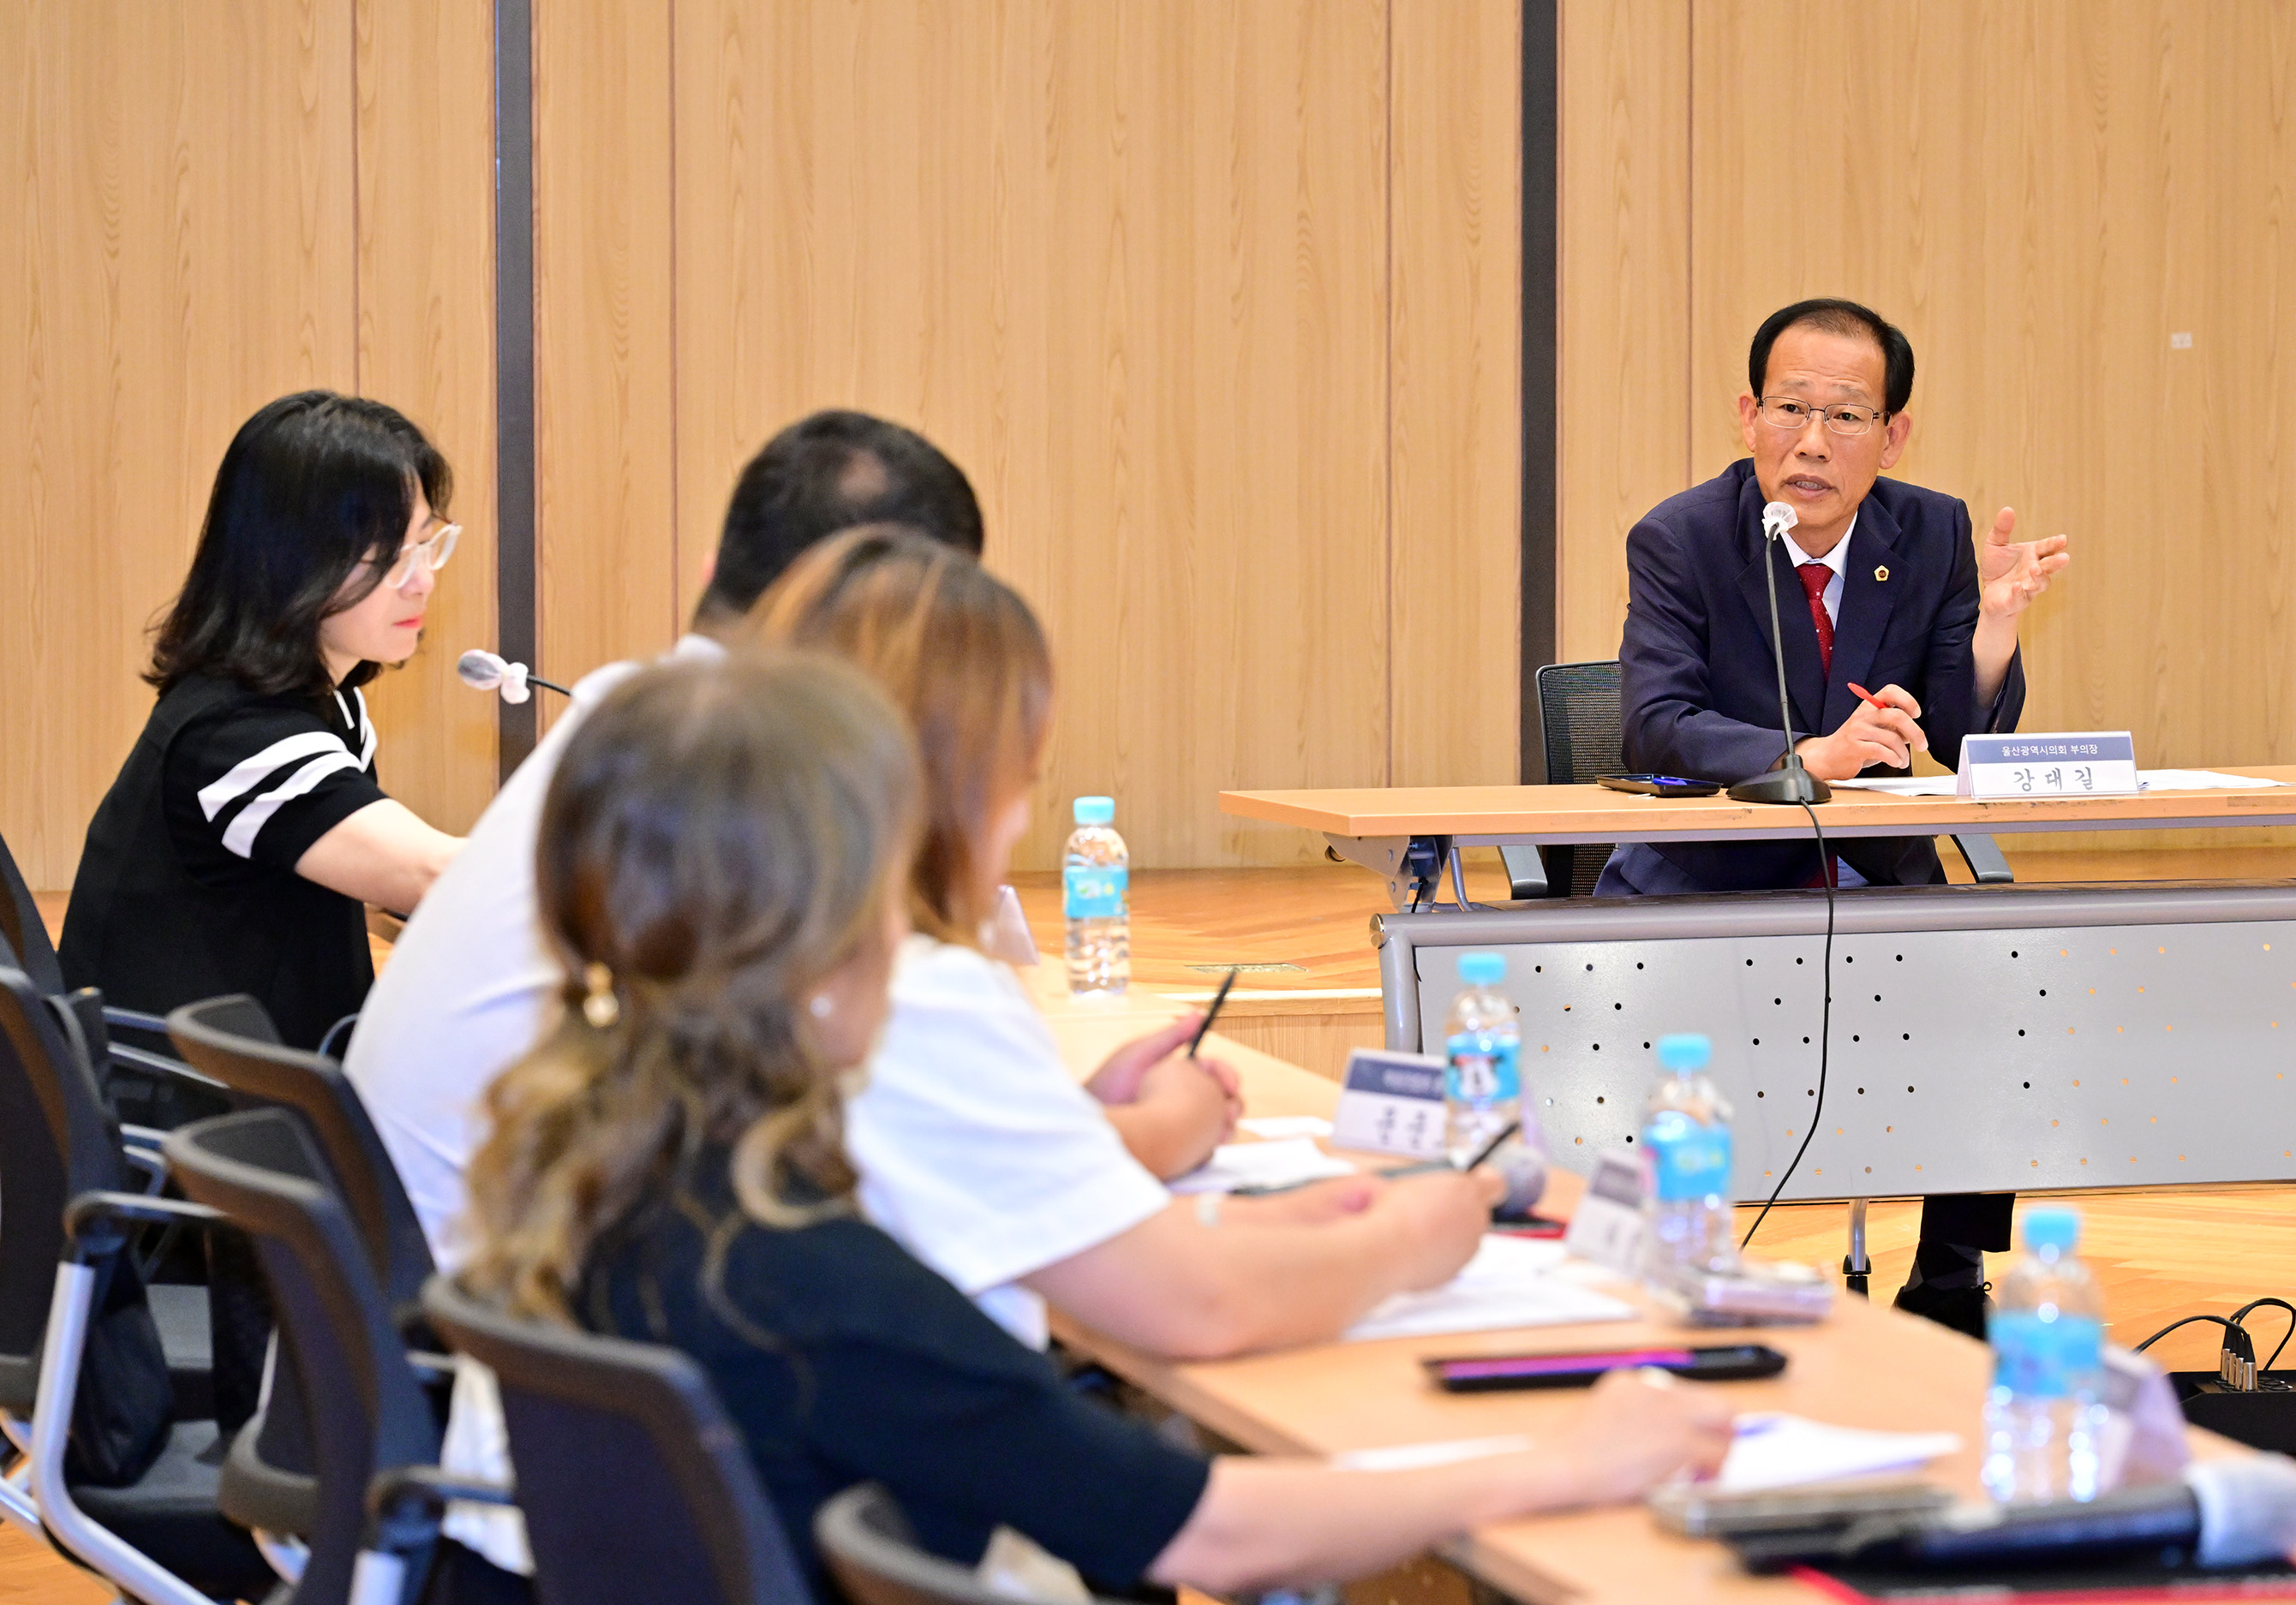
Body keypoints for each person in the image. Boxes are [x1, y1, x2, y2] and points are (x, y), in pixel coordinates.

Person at [459, 652, 1737, 1598]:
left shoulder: (601, 1161)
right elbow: (1213, 1531)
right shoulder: (807, 1269)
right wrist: (1562, 1457)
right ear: (824, 934)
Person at [750, 528, 1498, 1354]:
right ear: (951, 787)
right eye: (1021, 781)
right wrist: (1407, 1242)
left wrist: (1071, 1121)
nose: (1023, 820)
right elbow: (1205, 1306)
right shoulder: (916, 993)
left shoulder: (755, 967)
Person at [348, 409, 1013, 1254]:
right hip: (515, 1304)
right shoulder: (729, 776)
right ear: (888, 636)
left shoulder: (632, 720)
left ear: (712, 574)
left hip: (452, 1292)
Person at [1598, 299, 2072, 1336]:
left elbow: (1955, 726)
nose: (1812, 442)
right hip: (1711, 880)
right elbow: (1654, 724)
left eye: (1847, 416)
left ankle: (1950, 1274)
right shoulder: (1681, 538)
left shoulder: (1933, 528)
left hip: (1871, 871)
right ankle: (1667, 1254)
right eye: (1790, 408)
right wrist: (1802, 758)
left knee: (1984, 976)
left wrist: (1990, 633)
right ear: (1746, 415)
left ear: (1893, 434)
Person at [61, 391, 467, 1054]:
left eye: (426, 546)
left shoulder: (321, 703)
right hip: (196, 1123)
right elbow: (433, 876)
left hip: (252, 1091)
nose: (421, 581)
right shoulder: (239, 737)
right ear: (289, 562)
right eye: (387, 556)